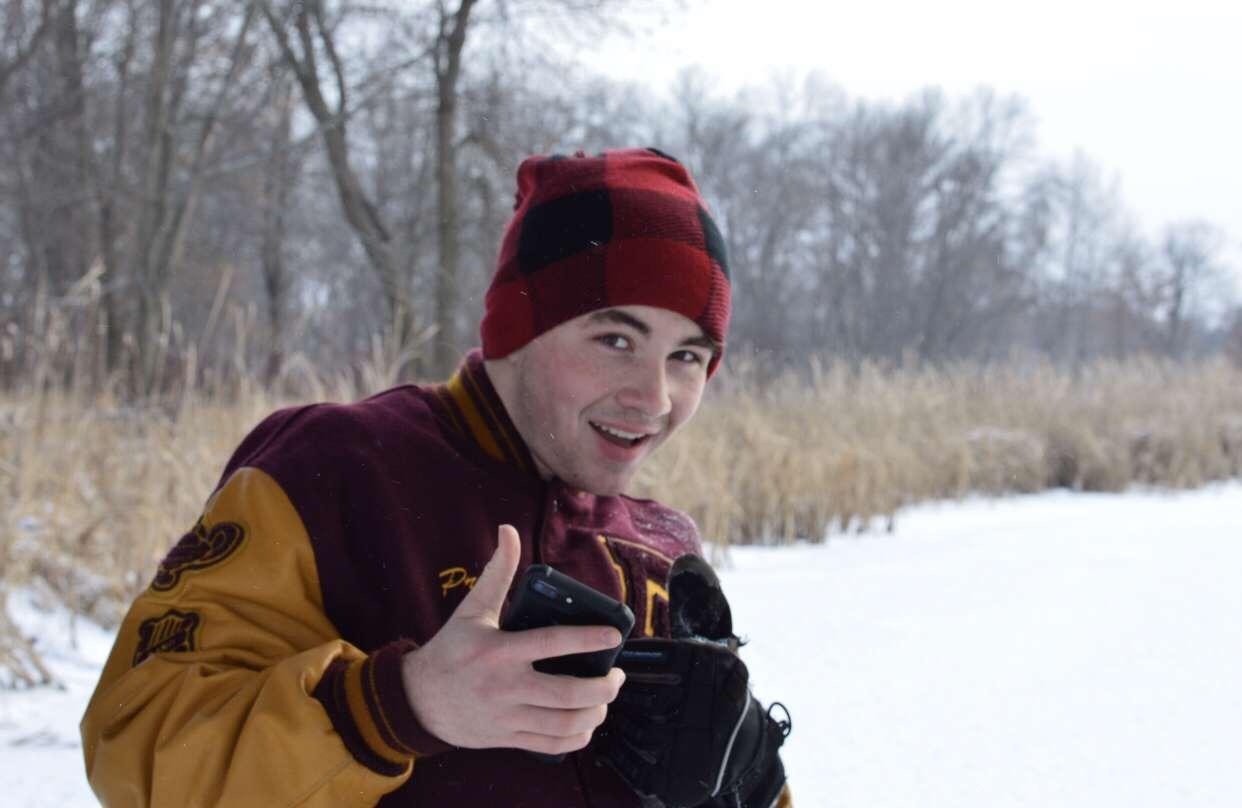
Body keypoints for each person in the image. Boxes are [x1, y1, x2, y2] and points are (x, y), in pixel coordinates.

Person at [81, 148, 791, 807]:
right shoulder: (334, 472)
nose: (654, 398)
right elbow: (136, 745)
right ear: (519, 328)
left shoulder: (660, 547)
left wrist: (750, 775)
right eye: (615, 339)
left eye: (687, 357)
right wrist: (401, 705)